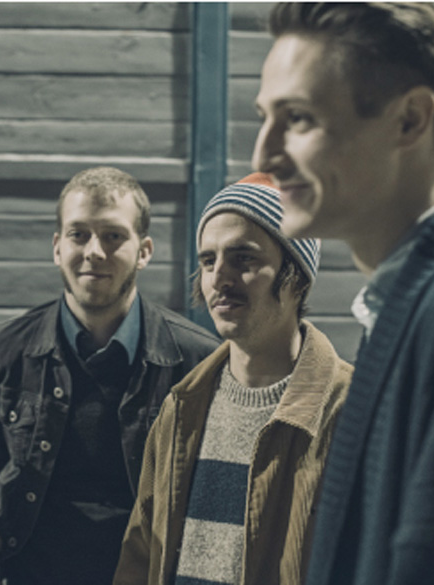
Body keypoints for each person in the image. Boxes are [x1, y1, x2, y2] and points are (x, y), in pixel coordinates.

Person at [251, 3, 434, 584]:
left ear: (409, 120)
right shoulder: (405, 304)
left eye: (298, 118)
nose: (263, 156)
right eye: (264, 117)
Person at [0, 166, 220, 585]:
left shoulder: (198, 360)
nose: (94, 251)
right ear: (57, 247)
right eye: (79, 234)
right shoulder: (1, 353)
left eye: (113, 236)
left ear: (144, 251)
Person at [113, 173, 353, 585]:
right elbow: (140, 556)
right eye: (208, 261)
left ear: (296, 275)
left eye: (244, 259)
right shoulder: (181, 408)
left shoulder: (352, 413)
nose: (219, 278)